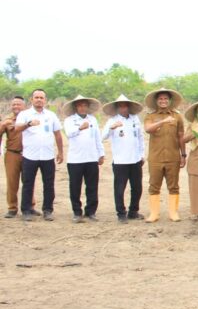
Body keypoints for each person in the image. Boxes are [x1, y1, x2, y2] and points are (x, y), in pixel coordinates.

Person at [14, 89, 63, 221]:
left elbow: (58, 134)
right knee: (28, 183)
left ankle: (47, 210)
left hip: (47, 156)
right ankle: (26, 210)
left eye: (42, 97)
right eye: (37, 97)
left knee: (49, 184)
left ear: (45, 100)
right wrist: (29, 124)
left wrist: (61, 152)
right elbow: (16, 129)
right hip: (30, 156)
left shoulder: (51, 115)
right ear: (32, 99)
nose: (39, 100)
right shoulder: (25, 114)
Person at [143, 87, 186, 223]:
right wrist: (162, 121)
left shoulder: (177, 116)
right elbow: (148, 129)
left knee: (173, 185)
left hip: (173, 157)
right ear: (156, 101)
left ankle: (173, 212)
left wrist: (183, 155)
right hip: (155, 158)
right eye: (160, 99)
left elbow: (181, 136)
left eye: (166, 98)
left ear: (170, 101)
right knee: (154, 185)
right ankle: (154, 213)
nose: (163, 101)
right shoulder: (151, 116)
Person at [102, 94, 146, 222]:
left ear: (129, 106)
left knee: (137, 187)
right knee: (120, 188)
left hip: (135, 159)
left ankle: (133, 211)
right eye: (120, 106)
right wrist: (112, 128)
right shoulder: (112, 120)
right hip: (120, 161)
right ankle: (121, 213)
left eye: (125, 105)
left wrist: (141, 154)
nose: (123, 108)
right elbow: (103, 136)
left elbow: (140, 137)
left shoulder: (134, 119)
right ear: (117, 108)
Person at [62, 95, 105, 223]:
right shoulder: (70, 120)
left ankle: (91, 211)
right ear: (76, 107)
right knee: (75, 186)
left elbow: (98, 138)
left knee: (92, 186)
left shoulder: (92, 119)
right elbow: (69, 134)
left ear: (88, 107)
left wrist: (101, 154)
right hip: (75, 159)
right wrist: (80, 128)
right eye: (80, 105)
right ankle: (77, 212)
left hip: (91, 157)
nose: (82, 107)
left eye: (85, 105)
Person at [1, 96, 28, 218]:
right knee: (12, 182)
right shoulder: (7, 120)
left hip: (28, 154)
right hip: (12, 154)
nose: (16, 106)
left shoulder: (30, 119)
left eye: (19, 104)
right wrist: (2, 125)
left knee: (29, 181)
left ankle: (30, 206)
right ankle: (12, 208)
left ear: (24, 106)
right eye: (14, 104)